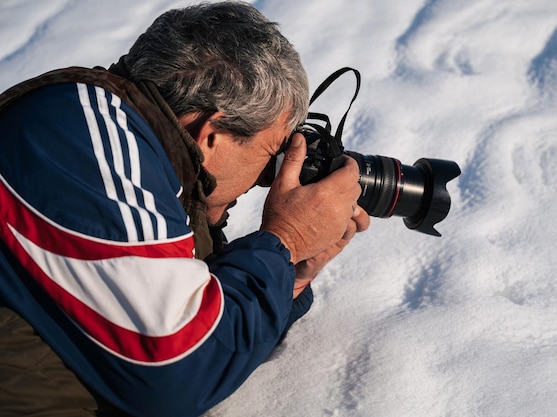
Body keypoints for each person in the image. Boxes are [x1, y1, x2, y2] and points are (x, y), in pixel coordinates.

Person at [0, 2, 369, 416]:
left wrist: (291, 275)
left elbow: (202, 326)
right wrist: (285, 239)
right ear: (210, 135)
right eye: (271, 153)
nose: (269, 176)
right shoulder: (84, 137)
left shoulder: (142, 158)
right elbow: (178, 370)